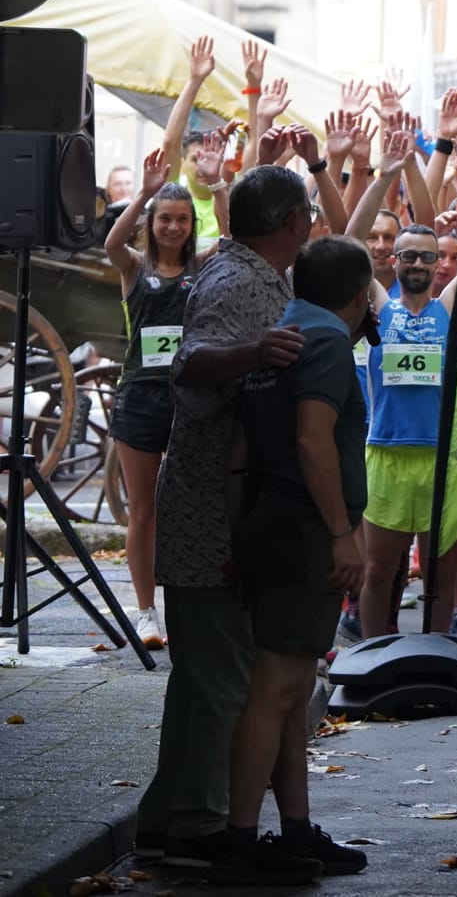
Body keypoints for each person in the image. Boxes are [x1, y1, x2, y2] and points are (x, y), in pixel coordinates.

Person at [138, 162, 313, 871]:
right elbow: (192, 362)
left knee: (204, 674)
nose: (310, 222)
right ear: (289, 222)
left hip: (215, 503)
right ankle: (200, 827)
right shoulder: (240, 279)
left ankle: (165, 818)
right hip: (209, 509)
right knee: (222, 679)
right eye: (305, 211)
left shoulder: (246, 270)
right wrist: (255, 351)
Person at [223, 235, 375, 882]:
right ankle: (239, 840)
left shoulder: (288, 323)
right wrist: (343, 533)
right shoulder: (328, 340)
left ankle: (294, 830)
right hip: (303, 527)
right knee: (277, 687)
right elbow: (314, 440)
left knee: (287, 689)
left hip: (273, 519)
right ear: (361, 292)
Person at [344, 125, 457, 638]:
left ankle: (439, 650)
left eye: (428, 256)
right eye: (410, 256)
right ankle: (376, 650)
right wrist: (384, 175)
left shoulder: (449, 307)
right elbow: (351, 239)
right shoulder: (379, 306)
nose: (420, 263)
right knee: (379, 569)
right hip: (384, 453)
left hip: (440, 456)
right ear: (394, 262)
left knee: (445, 571)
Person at [103, 147, 204, 649]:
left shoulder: (203, 267)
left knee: (189, 506)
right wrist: (143, 190)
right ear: (153, 222)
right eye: (165, 218)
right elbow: (111, 242)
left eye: (182, 219)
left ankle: (190, 607)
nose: (173, 227)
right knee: (142, 510)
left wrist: (219, 185)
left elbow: (233, 242)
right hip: (139, 398)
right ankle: (146, 613)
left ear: (191, 224)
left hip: (189, 400)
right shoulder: (135, 267)